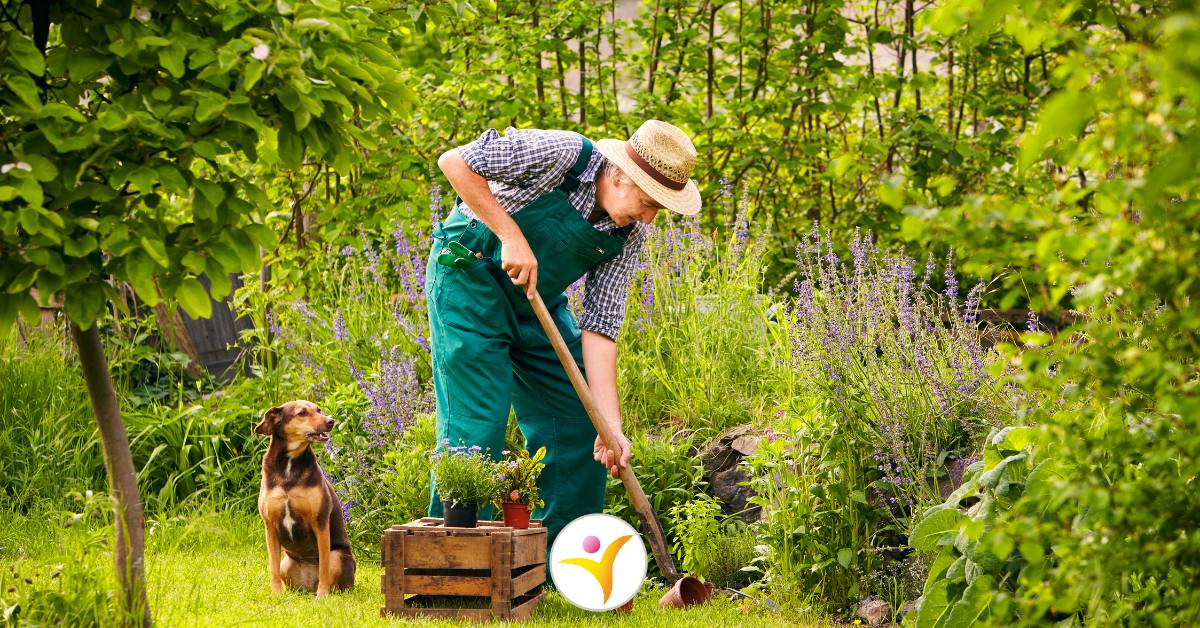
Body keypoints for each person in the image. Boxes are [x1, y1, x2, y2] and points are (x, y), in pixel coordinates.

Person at [425, 120, 702, 550]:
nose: (649, 218)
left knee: (579, 422)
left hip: (536, 301)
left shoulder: (627, 235)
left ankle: (561, 564)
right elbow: (456, 163)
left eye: (657, 211)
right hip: (469, 280)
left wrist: (609, 425)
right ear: (618, 176)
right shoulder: (562, 154)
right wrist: (510, 235)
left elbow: (602, 324)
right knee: (477, 425)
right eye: (648, 202)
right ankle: (459, 567)